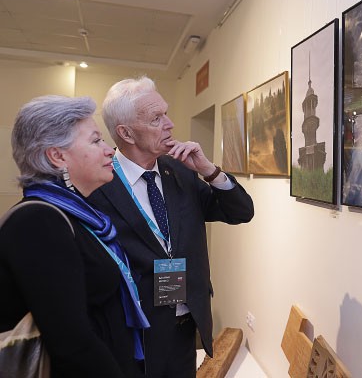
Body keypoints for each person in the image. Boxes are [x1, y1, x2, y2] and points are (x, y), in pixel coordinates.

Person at [87, 76, 255, 378]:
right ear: (125, 133)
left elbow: (241, 212)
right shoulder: (100, 184)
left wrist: (209, 170)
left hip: (185, 323)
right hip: (133, 332)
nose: (170, 123)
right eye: (156, 118)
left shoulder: (181, 171)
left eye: (165, 113)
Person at [0, 95, 150, 377]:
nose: (109, 150)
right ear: (57, 156)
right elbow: (71, 343)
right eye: (95, 141)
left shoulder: (81, 216)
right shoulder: (37, 222)